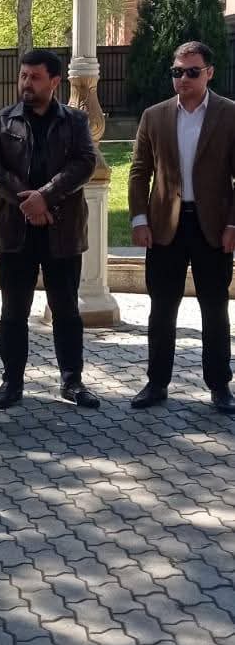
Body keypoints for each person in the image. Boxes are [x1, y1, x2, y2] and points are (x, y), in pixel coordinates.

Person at [0, 48, 99, 411]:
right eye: (23, 76)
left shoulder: (75, 121)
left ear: (54, 82)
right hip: (15, 232)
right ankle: (11, 382)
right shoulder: (4, 120)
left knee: (66, 310)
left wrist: (45, 197)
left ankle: (72, 381)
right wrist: (28, 201)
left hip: (62, 231)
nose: (26, 83)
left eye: (35, 77)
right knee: (13, 312)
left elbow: (84, 163)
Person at [128, 39, 235, 413]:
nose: (184, 78)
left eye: (192, 72)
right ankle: (156, 383)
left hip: (212, 227)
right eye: (177, 72)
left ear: (209, 73)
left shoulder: (229, 114)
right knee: (161, 309)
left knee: (215, 309)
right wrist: (139, 219)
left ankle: (220, 386)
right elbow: (139, 172)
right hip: (164, 227)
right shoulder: (154, 116)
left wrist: (233, 224)